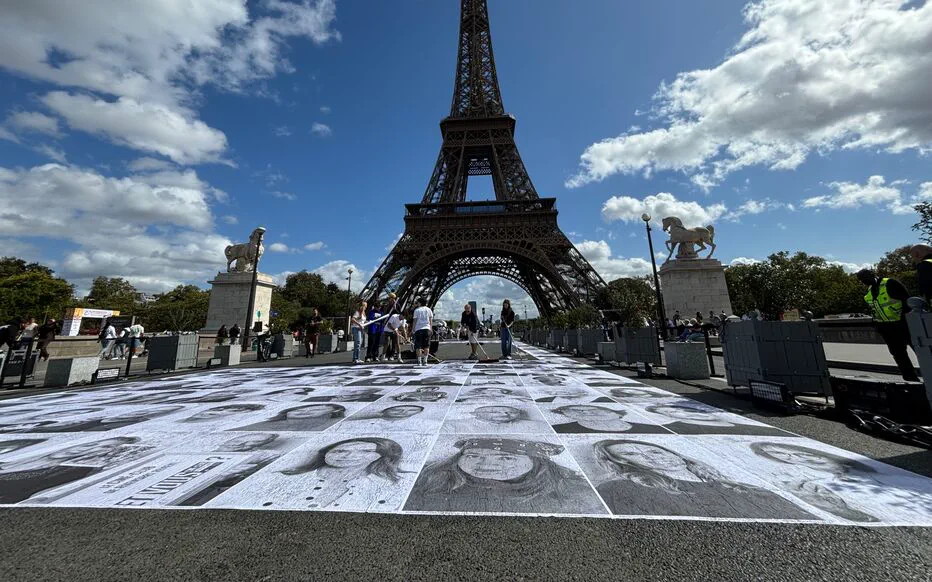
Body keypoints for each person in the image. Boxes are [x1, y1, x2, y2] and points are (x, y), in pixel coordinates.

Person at [592, 439, 814, 519]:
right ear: (625, 464)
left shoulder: (740, 486)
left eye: (654, 451)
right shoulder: (622, 489)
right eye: (632, 455)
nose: (648, 455)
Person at [404, 437, 605, 514]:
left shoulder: (574, 495)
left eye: (507, 459)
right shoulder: (430, 484)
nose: (487, 464)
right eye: (474, 456)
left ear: (536, 464)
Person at [749, 442, 887, 522]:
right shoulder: (805, 484)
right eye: (784, 456)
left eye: (798, 453)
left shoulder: (870, 474)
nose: (793, 457)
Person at [0, 437, 141, 504]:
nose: (90, 449)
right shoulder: (29, 461)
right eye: (94, 444)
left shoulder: (71, 472)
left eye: (104, 448)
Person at [856, 268, 918, 381]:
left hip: (903, 324)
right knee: (899, 355)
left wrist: (907, 319)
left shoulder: (890, 283)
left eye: (864, 277)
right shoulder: (869, 292)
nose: (863, 281)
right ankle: (911, 379)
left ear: (872, 274)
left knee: (920, 350)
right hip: (887, 328)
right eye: (861, 279)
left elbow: (907, 301)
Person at [550, 405, 668, 434]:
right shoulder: (558, 429)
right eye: (579, 411)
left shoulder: (659, 429)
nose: (588, 412)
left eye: (592, 409)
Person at [234, 404, 346, 432]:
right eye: (302, 409)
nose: (306, 411)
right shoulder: (257, 427)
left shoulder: (332, 427)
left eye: (315, 410)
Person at [412, 297, 433, 366]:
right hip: (427, 329)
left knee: (418, 346)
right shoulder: (429, 310)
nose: (417, 303)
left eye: (417, 302)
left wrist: (413, 329)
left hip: (418, 329)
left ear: (420, 303)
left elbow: (415, 321)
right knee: (426, 346)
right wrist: (431, 328)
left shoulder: (416, 310)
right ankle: (425, 361)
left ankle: (419, 361)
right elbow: (430, 321)